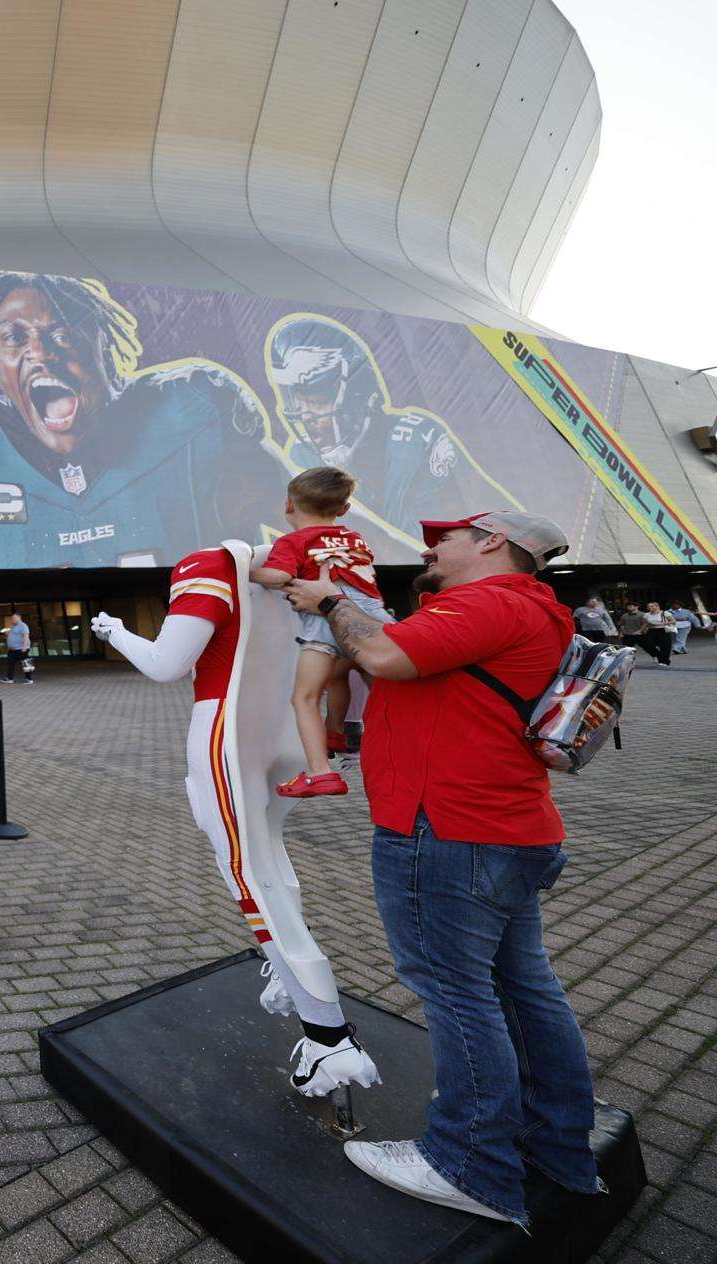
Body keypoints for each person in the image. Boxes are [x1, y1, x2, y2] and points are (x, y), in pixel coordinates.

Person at [283, 510, 600, 1227]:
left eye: (447, 536)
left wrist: (331, 600)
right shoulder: (529, 609)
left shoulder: (487, 600)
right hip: (501, 829)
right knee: (524, 990)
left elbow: (386, 658)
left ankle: (469, 1166)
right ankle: (555, 1145)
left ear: (492, 544)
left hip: (445, 832)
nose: (431, 545)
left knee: (458, 995)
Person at [92, 549, 378, 1102]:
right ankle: (288, 975)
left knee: (249, 870)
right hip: (298, 726)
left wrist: (116, 632)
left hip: (230, 726)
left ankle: (328, 1035)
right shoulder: (321, 563)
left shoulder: (213, 560)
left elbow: (165, 664)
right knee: (267, 853)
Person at [0, 269, 278, 570]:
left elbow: (322, 524)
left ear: (104, 348)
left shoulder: (191, 418)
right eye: (15, 338)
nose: (40, 352)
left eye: (62, 334)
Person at [263, 314, 520, 552]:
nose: (307, 417)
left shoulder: (415, 438)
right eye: (299, 403)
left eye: (317, 402)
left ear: (356, 394)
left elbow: (472, 517)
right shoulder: (301, 455)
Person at [249, 467, 394, 798]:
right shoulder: (356, 538)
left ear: (289, 506)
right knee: (367, 686)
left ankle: (320, 772)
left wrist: (242, 570)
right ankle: (337, 734)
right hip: (375, 623)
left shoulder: (293, 540)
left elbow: (276, 575)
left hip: (328, 623)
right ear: (344, 510)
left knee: (305, 697)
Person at [0, 612, 33, 684]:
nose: (13, 619)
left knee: (26, 663)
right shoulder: (13, 626)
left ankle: (29, 679)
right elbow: (12, 636)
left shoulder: (23, 626)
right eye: (12, 618)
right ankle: (9, 678)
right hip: (12, 650)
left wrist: (24, 647)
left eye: (14, 618)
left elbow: (26, 636)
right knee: (10, 663)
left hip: (21, 649)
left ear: (19, 617)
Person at [642, 601, 673, 666]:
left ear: (657, 606)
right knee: (648, 645)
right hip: (651, 630)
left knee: (665, 646)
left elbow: (673, 621)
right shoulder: (647, 614)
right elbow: (645, 623)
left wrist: (664, 623)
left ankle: (664, 661)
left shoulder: (665, 613)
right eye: (648, 606)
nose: (650, 608)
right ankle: (659, 655)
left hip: (663, 630)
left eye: (652, 606)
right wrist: (643, 630)